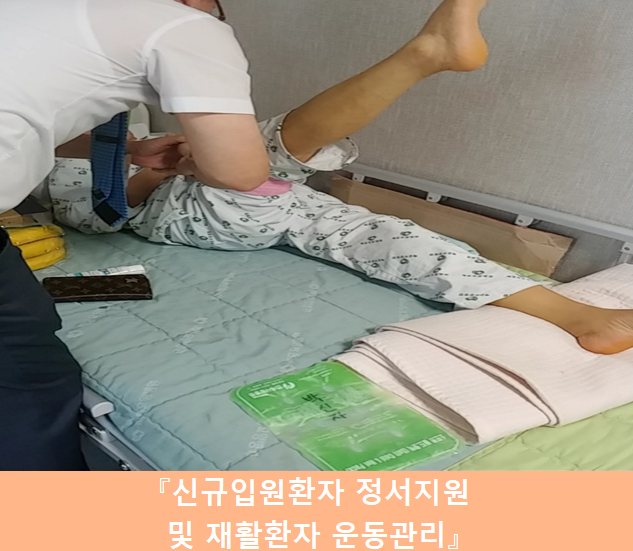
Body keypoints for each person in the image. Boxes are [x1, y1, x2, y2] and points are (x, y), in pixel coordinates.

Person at [50, 0, 633, 357]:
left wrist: (159, 153)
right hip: (181, 213)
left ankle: (579, 317)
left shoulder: (133, 121)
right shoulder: (53, 128)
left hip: (278, 204)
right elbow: (95, 213)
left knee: (394, 239)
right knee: (266, 149)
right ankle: (425, 52)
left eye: (204, 18)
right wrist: (162, 175)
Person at [0, 0, 270, 470]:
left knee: (29, 328)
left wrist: (132, 151)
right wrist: (197, 161)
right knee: (32, 377)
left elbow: (41, 117)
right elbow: (242, 171)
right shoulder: (186, 25)